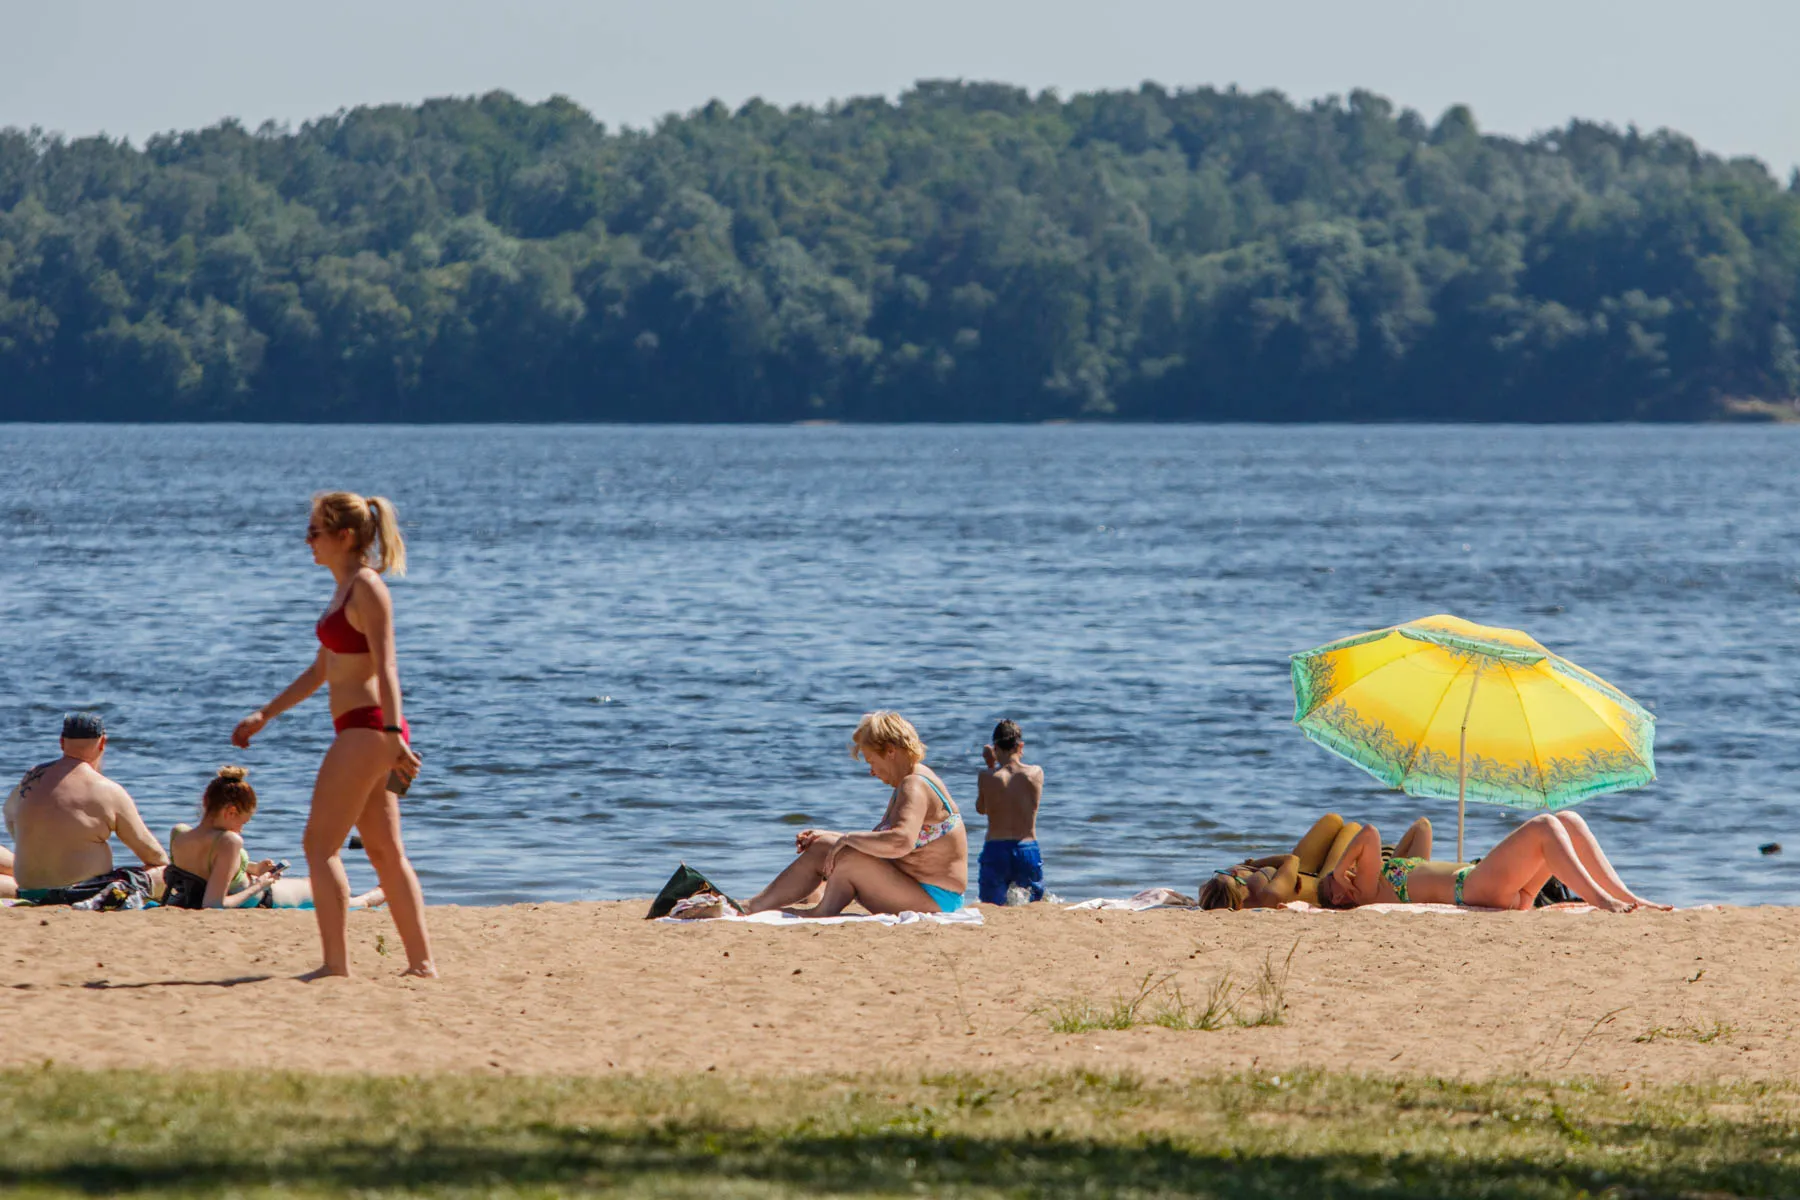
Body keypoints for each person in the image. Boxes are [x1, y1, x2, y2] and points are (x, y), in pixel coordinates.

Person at [231, 492, 434, 978]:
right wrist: (265, 714)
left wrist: (391, 734)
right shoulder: (343, 590)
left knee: (319, 846)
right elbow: (322, 669)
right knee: (384, 851)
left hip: (370, 728)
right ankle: (421, 965)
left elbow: (386, 666)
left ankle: (335, 964)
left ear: (344, 537)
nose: (308, 540)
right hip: (366, 729)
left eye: (315, 531)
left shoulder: (367, 588)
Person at [744, 711, 969, 916]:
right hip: (912, 886)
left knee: (849, 858)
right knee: (824, 846)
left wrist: (846, 839)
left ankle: (819, 912)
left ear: (890, 751)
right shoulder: (907, 783)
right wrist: (830, 835)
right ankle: (755, 906)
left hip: (934, 899)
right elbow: (881, 842)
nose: (871, 772)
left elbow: (901, 841)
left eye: (872, 761)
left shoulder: (915, 784)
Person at [1318, 811, 1666, 912]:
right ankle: (1601, 900)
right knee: (1544, 826)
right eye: (1338, 879)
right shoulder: (1365, 892)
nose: (1347, 869)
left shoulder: (1386, 876)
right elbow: (1369, 833)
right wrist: (1336, 870)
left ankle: (1629, 896)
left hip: (1503, 891)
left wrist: (1344, 870)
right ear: (1337, 896)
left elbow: (1421, 827)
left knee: (1568, 820)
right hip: (1472, 887)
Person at [163, 765, 385, 911]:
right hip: (265, 897)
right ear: (230, 812)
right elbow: (213, 904)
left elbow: (206, 867)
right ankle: (375, 897)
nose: (241, 829)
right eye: (243, 821)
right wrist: (259, 885)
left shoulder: (179, 833)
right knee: (335, 896)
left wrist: (252, 868)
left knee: (316, 886)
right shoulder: (229, 841)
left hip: (199, 897)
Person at [4, 712, 168, 905]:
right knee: (166, 872)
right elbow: (153, 855)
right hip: (82, 895)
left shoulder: (30, 777)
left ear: (61, 742)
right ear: (102, 743)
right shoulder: (107, 790)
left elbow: (8, 814)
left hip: (29, 893)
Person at [1201, 815, 1432, 910]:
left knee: (1333, 820)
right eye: (1230, 874)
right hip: (1324, 884)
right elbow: (1291, 860)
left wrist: (1252, 869)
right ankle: (1384, 858)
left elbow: (1292, 865)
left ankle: (1384, 858)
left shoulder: (1228, 889)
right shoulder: (1269, 893)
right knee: (1352, 829)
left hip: (1306, 873)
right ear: (1238, 886)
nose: (1230, 870)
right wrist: (1255, 864)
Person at [975, 719, 1045, 905]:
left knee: (992, 904)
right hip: (1027, 847)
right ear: (1020, 746)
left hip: (996, 848)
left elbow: (981, 809)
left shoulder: (987, 777)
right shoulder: (1035, 773)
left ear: (995, 748)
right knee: (1032, 903)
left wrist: (991, 765)